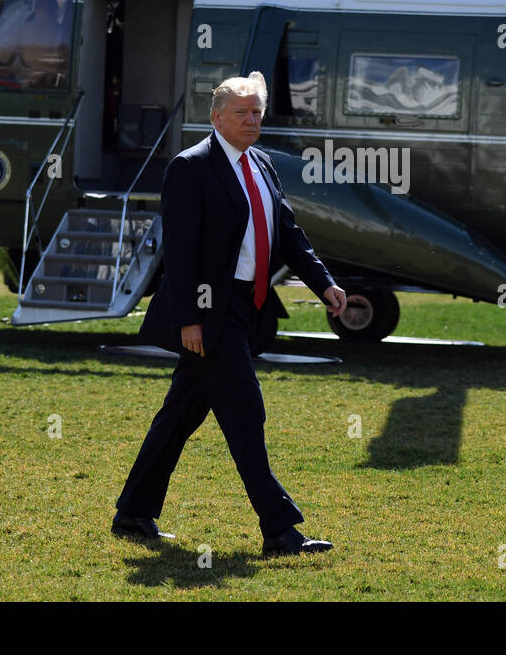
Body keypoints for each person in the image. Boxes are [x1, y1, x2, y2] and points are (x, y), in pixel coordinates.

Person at [113, 71, 348, 557]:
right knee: (245, 412)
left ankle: (133, 512)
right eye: (240, 112)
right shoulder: (190, 167)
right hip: (209, 310)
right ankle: (279, 530)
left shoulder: (262, 163)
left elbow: (287, 231)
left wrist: (323, 282)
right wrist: (191, 319)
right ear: (216, 116)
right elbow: (182, 252)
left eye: (256, 112)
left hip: (248, 306)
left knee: (178, 416)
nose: (250, 119)